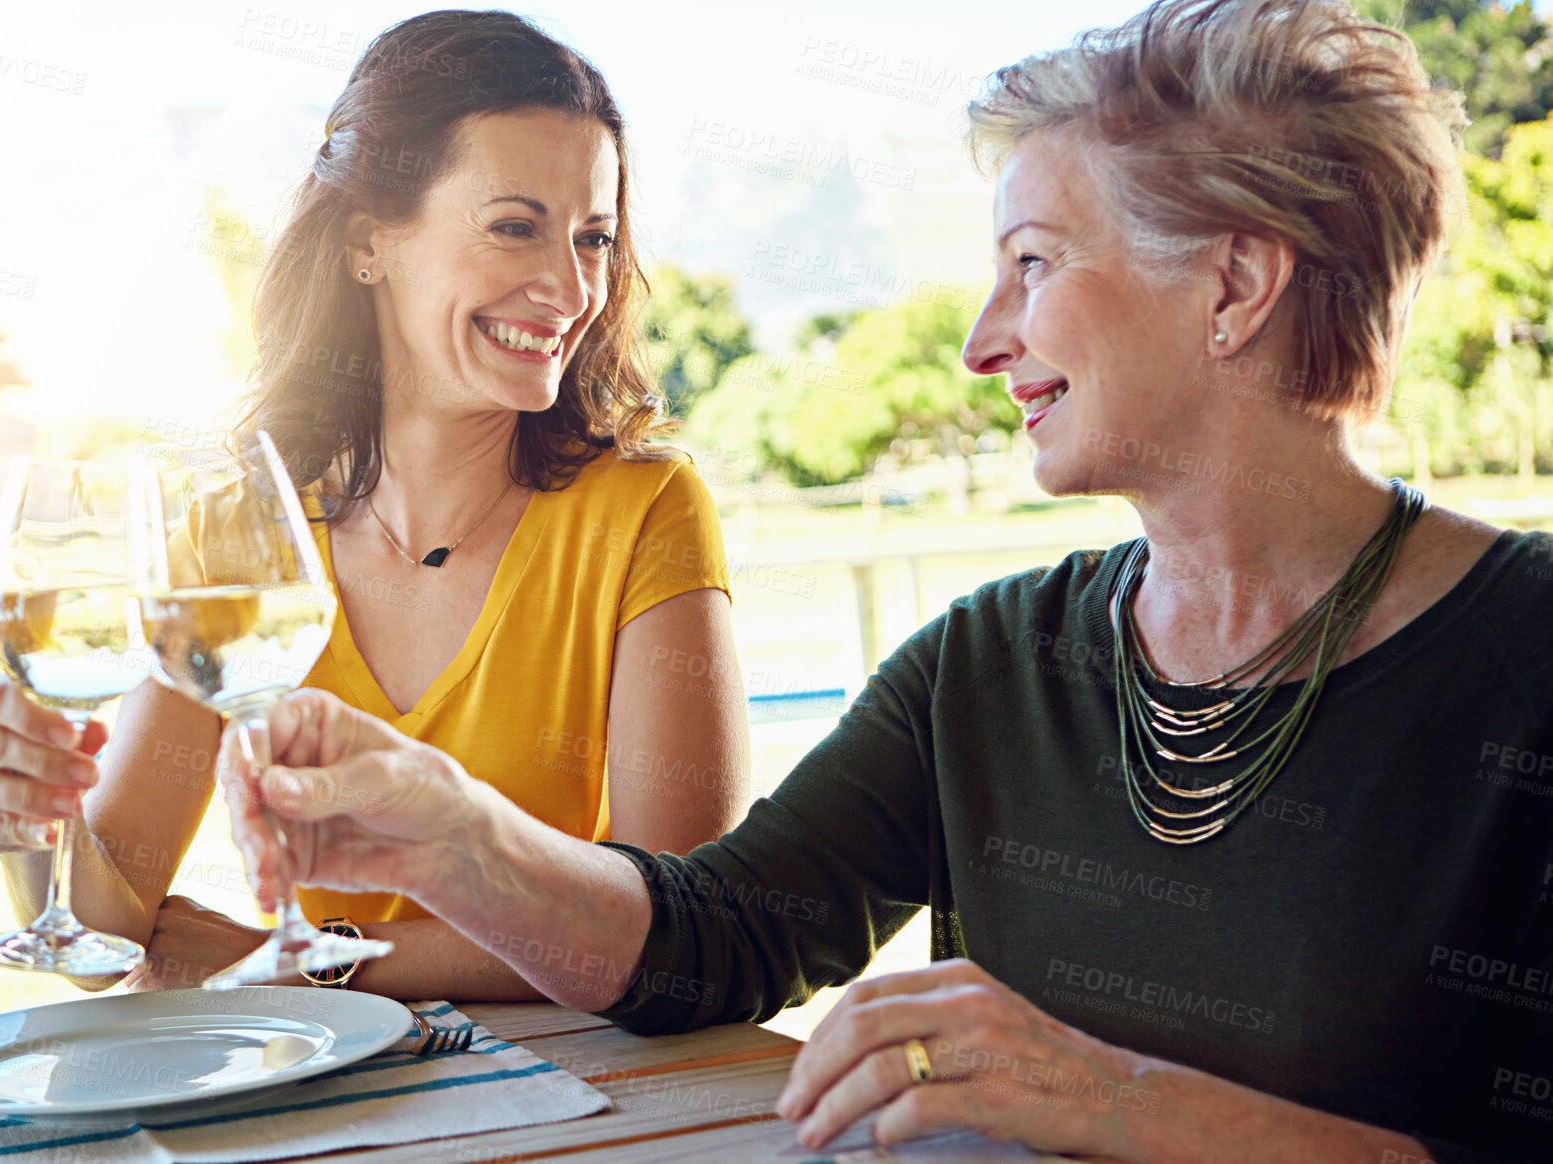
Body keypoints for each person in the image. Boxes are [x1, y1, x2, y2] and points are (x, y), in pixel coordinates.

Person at [209, 0, 1552, 1159]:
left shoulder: (1530, 657)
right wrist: (451, 833)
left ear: (1235, 284)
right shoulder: (990, 666)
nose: (982, 340)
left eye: (1033, 262)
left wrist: (1120, 1101)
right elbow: (718, 939)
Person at [0, 11, 750, 1001]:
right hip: (339, 1107)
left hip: (598, 1101)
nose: (570, 288)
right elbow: (116, 921)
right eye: (515, 227)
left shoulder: (647, 510)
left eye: (594, 238)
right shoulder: (242, 537)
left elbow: (681, 930)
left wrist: (287, 964)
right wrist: (28, 820)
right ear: (369, 241)